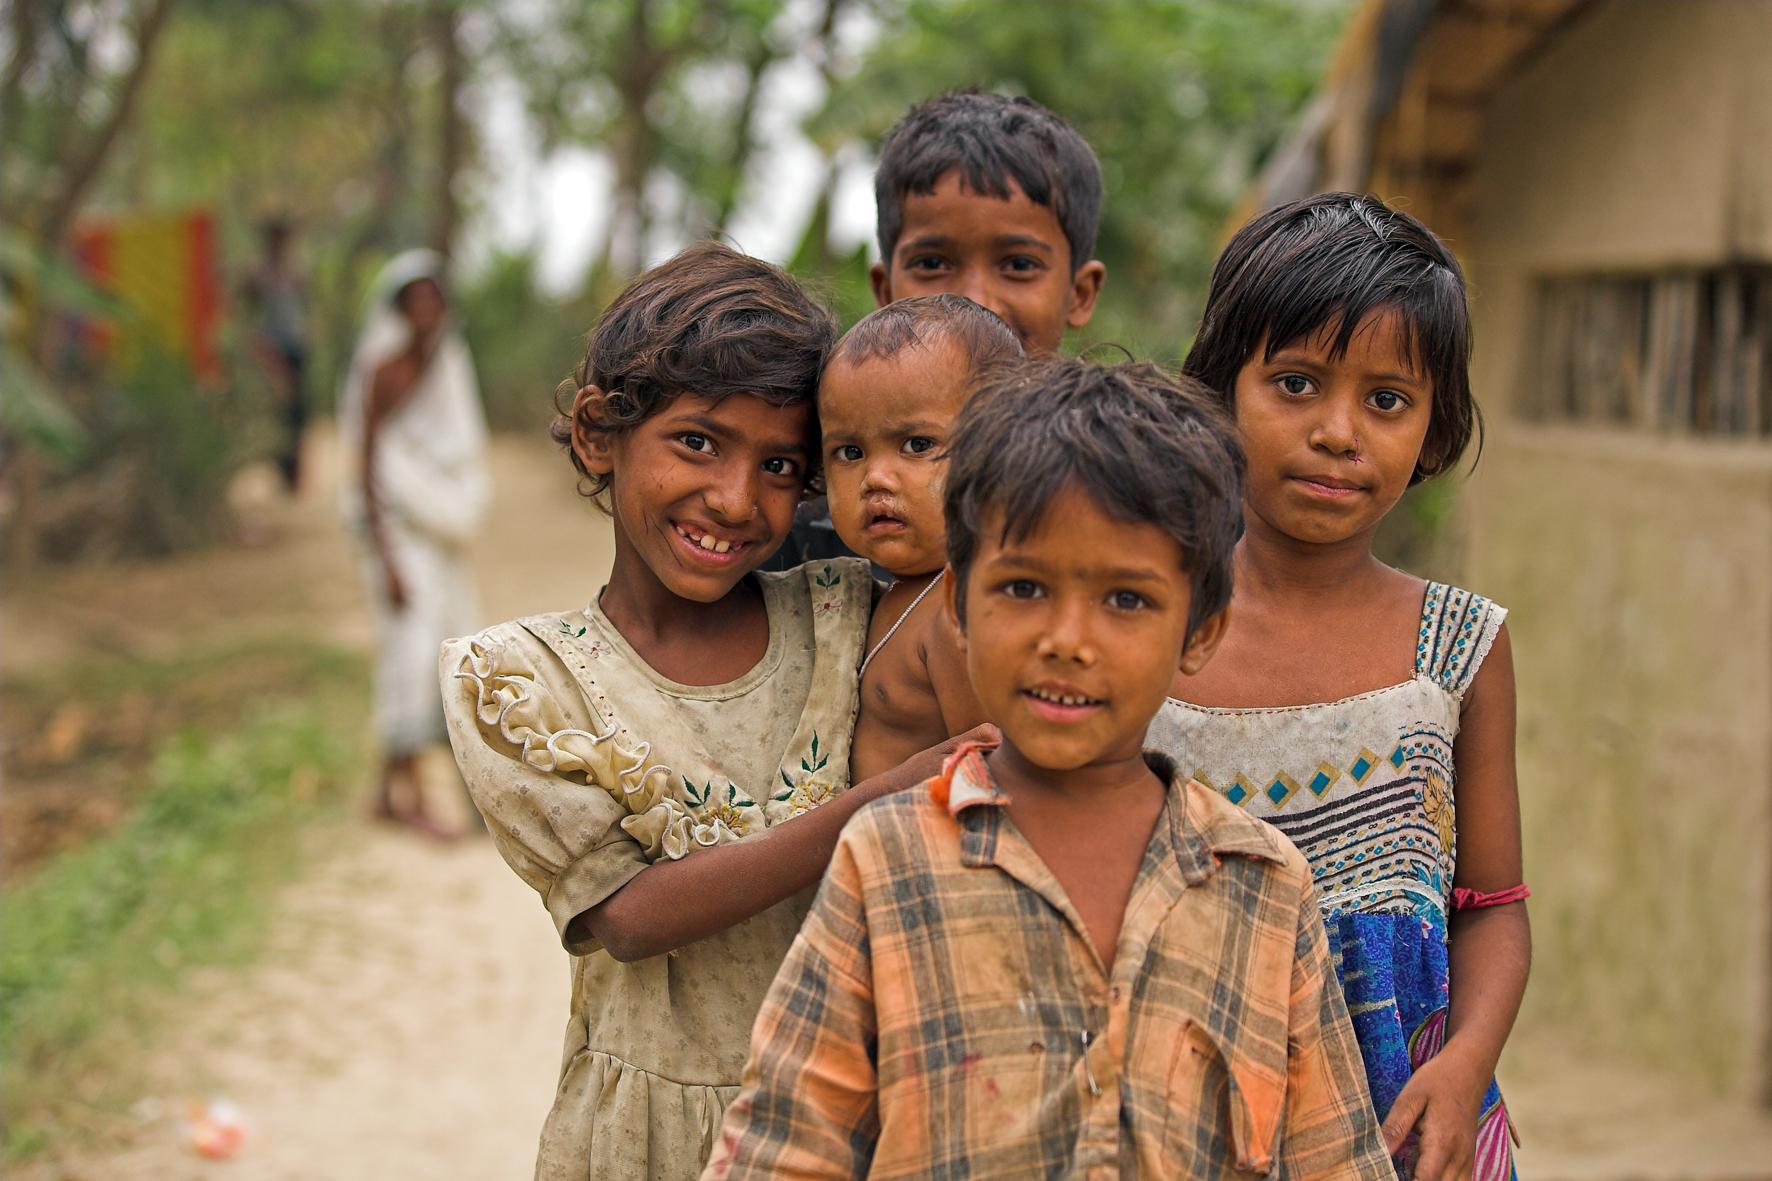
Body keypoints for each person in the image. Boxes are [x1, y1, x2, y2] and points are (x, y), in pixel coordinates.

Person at [704, 359, 1393, 1180]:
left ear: (1201, 632)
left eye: (1126, 600)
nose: (1067, 638)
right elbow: (784, 1150)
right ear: (958, 603)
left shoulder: (1265, 886)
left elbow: (1334, 1157)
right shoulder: (887, 864)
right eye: (1024, 587)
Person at [439, 241, 992, 1181]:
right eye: (697, 441)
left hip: (852, 1116)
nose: (736, 498)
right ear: (596, 435)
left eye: (781, 464)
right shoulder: (520, 681)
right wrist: (902, 791)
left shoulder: (848, 612)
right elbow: (633, 917)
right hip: (658, 1139)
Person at [1147, 192, 1530, 1181]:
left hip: (1403, 1114)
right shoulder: (1146, 622)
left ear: (1433, 428)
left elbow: (1490, 903)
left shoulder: (1458, 646)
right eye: (1295, 381)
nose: (1336, 430)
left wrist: (1463, 1067)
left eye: (1385, 400)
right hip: (1176, 1110)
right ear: (1220, 389)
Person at [762, 89, 1108, 572]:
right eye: (932, 263)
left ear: (1080, 293)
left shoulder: (1125, 511)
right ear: (884, 291)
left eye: (1018, 265)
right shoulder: (807, 549)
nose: (975, 297)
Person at [820, 294, 1021, 782]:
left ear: (1005, 450)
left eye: (917, 445)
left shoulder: (957, 615)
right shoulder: (899, 590)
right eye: (850, 451)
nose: (876, 478)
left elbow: (993, 771)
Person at [338, 249, 488, 839]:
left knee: (445, 648)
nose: (427, 309)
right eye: (414, 299)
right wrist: (390, 561)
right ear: (399, 308)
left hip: (437, 532)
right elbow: (370, 465)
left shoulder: (446, 364)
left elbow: (456, 448)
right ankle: (413, 796)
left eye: (435, 297)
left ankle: (386, 792)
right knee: (411, 652)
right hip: (395, 536)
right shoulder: (384, 370)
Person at [243, 217, 310, 491]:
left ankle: (292, 474)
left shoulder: (297, 275)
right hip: (269, 352)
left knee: (296, 412)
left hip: (295, 349)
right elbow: (248, 316)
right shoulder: (257, 276)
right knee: (274, 412)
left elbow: (303, 312)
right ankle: (276, 471)